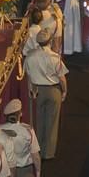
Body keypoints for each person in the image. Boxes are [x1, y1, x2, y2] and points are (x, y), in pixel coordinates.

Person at [24, 28, 69, 160]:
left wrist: (30, 90)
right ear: (50, 41)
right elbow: (62, 78)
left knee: (37, 121)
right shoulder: (55, 58)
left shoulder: (30, 57)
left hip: (37, 90)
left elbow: (28, 76)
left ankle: (36, 150)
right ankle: (48, 153)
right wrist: (64, 90)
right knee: (52, 123)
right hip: (53, 90)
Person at [0, 99, 42, 177]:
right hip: (24, 172)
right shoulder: (27, 130)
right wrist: (38, 172)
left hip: (5, 171)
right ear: (20, 114)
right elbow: (35, 155)